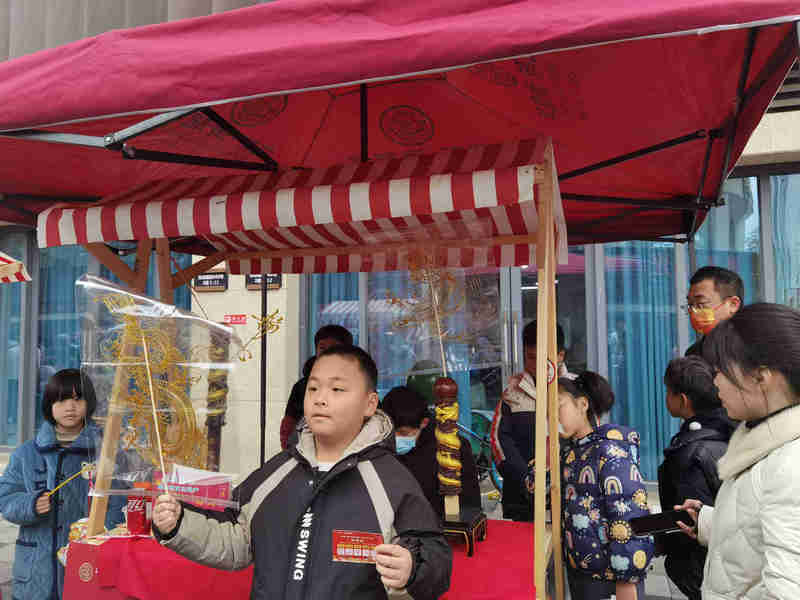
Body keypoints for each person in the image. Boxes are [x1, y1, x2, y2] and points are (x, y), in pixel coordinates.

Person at [152, 345, 452, 599]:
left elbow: (435, 555)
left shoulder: (391, 480)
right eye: (313, 388)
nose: (320, 398)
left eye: (337, 389)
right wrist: (178, 523)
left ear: (369, 403)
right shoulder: (278, 470)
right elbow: (236, 538)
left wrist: (412, 569)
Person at [676, 303, 800, 599]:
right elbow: (761, 530)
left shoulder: (788, 464)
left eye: (721, 370)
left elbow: (785, 589)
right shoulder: (766, 445)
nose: (715, 381)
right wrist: (711, 521)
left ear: (761, 377)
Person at [0, 369, 124, 600]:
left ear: (89, 403)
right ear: (49, 404)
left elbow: (120, 505)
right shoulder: (26, 454)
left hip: (89, 567)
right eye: (61, 400)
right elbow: (5, 499)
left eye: (77, 399)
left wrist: (97, 533)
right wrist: (31, 504)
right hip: (35, 575)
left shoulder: (106, 453)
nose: (70, 407)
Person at [556, 371, 654, 600]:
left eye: (558, 406)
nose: (552, 416)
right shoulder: (567, 452)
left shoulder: (609, 451)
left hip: (612, 578)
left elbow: (630, 514)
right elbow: (535, 490)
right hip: (582, 572)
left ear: (582, 405)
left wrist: (627, 580)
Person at [657, 356, 736, 600]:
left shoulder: (689, 454)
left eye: (668, 391)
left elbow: (689, 524)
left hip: (708, 577)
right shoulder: (734, 432)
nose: (665, 397)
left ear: (683, 400)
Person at [491, 321, 573, 521]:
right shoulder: (512, 393)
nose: (536, 365)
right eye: (530, 357)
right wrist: (526, 478)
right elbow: (499, 440)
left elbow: (588, 438)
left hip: (570, 496)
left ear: (560, 355)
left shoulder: (576, 391)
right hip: (521, 498)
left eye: (543, 358)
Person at [381, 385, 481, 520]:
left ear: (424, 423)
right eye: (391, 433)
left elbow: (469, 504)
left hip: (439, 525)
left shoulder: (452, 448)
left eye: (403, 433)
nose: (395, 438)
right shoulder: (379, 446)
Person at [280, 324, 353, 449]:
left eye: (334, 348)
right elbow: (288, 424)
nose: (327, 353)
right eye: (322, 348)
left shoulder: (359, 383)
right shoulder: (302, 386)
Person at [685, 266, 743, 356]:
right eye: (690, 304)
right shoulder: (694, 353)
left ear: (733, 304)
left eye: (701, 303)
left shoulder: (754, 347)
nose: (693, 311)